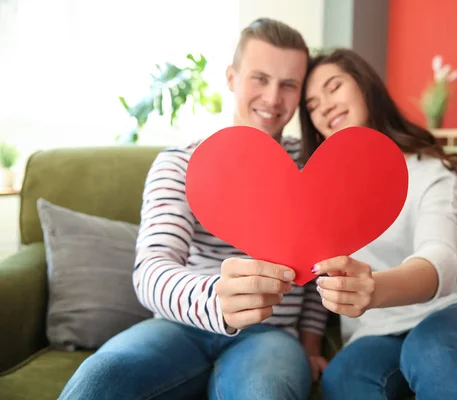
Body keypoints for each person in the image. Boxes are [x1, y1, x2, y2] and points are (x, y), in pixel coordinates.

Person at [58, 18, 330, 400]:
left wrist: (311, 344)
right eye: (259, 78)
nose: (272, 98)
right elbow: (152, 269)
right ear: (231, 78)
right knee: (100, 379)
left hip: (270, 334)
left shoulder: (310, 169)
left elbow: (323, 267)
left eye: (289, 85)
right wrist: (217, 296)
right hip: (178, 326)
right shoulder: (181, 163)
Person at [298, 48, 457, 400]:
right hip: (378, 331)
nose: (325, 106)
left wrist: (373, 288)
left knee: (431, 349)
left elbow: (441, 259)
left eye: (334, 87)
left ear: (365, 87)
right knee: (343, 379)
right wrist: (311, 346)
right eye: (312, 105)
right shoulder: (318, 193)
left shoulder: (428, 171)